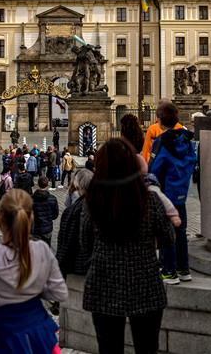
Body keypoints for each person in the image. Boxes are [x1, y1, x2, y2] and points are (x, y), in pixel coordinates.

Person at [81, 138, 175, 354]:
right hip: (145, 282)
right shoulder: (150, 200)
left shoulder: (92, 201)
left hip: (103, 282)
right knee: (147, 347)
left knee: (108, 348)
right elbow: (169, 239)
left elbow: (85, 243)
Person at [0, 190, 68, 353]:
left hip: (2, 335)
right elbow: (60, 294)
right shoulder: (42, 250)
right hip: (38, 334)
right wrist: (35, 286)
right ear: (30, 218)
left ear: (0, 220)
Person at [148, 102, 197, 285]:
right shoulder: (186, 140)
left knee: (166, 233)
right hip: (181, 192)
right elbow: (192, 161)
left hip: (165, 193)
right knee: (181, 231)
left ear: (159, 120)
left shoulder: (162, 141)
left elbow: (154, 168)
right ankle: (184, 269)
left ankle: (169, 271)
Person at [31, 176, 59, 247]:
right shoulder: (52, 199)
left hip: (35, 228)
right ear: (47, 185)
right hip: (47, 228)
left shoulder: (31, 199)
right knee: (46, 249)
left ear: (38, 184)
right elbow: (55, 214)